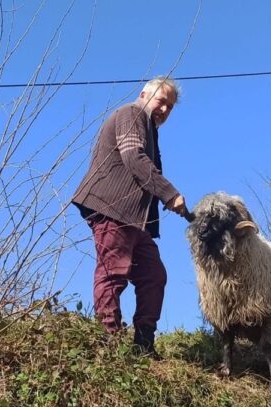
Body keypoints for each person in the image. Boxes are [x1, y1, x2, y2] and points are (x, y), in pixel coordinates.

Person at [71, 76, 187, 358]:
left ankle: (144, 344)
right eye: (162, 101)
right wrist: (169, 193)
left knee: (153, 275)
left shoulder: (149, 129)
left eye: (170, 107)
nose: (164, 110)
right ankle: (107, 342)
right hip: (113, 208)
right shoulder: (132, 113)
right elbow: (133, 157)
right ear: (144, 94)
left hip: (135, 220)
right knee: (113, 272)